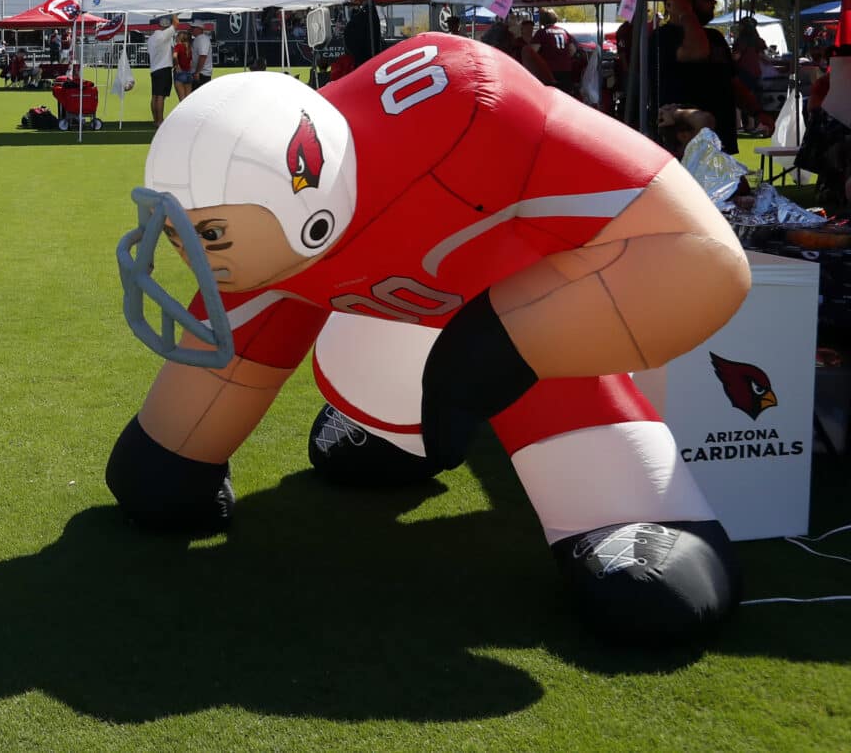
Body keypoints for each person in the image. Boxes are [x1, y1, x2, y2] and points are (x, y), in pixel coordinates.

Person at [107, 34, 752, 643]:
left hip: (512, 300)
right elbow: (242, 293)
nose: (189, 255)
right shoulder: (272, 239)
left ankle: (624, 506)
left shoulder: (463, 118)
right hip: (367, 309)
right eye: (175, 233)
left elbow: (694, 256)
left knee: (516, 330)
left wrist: (480, 363)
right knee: (157, 478)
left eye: (207, 235)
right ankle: (392, 430)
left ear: (309, 204)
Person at [653, 0, 738, 153]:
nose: (713, 2)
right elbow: (697, 53)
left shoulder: (715, 37)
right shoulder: (662, 37)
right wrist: (686, 13)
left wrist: (757, 111)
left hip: (720, 133)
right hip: (684, 138)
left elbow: (732, 80)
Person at [145, 16, 177, 124]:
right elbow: (176, 24)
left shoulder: (151, 38)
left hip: (154, 69)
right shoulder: (164, 35)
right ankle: (160, 121)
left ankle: (155, 119)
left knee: (155, 96)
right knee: (160, 97)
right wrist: (174, 13)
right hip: (164, 69)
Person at [171, 20, 196, 100]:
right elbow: (191, 61)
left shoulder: (178, 46)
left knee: (181, 99)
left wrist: (177, 65)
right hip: (188, 73)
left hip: (180, 73)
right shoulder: (189, 47)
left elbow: (175, 56)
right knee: (188, 99)